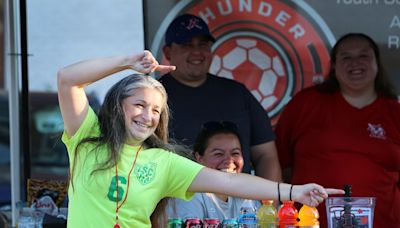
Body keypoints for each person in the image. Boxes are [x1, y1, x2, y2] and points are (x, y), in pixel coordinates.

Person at [57, 50, 344, 227]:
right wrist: (126, 62)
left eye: (156, 110)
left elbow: (230, 181)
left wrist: (294, 193)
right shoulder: (88, 137)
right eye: (140, 105)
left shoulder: (164, 162)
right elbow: (68, 78)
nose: (148, 116)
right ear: (118, 105)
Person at [275, 33, 400, 228]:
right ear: (333, 65)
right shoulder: (305, 103)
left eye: (364, 56)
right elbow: (277, 163)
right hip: (310, 223)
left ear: (377, 62)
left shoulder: (395, 112)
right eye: (346, 57)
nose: (355, 63)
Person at [160, 14, 282, 181]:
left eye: (203, 44)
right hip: (176, 202)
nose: (197, 52)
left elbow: (266, 155)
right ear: (168, 52)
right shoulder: (154, 97)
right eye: (187, 45)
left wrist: (269, 203)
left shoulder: (237, 93)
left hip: (239, 203)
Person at [168, 121, 262, 221]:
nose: (229, 161)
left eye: (235, 153)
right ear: (199, 158)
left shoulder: (248, 196)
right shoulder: (189, 195)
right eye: (218, 154)